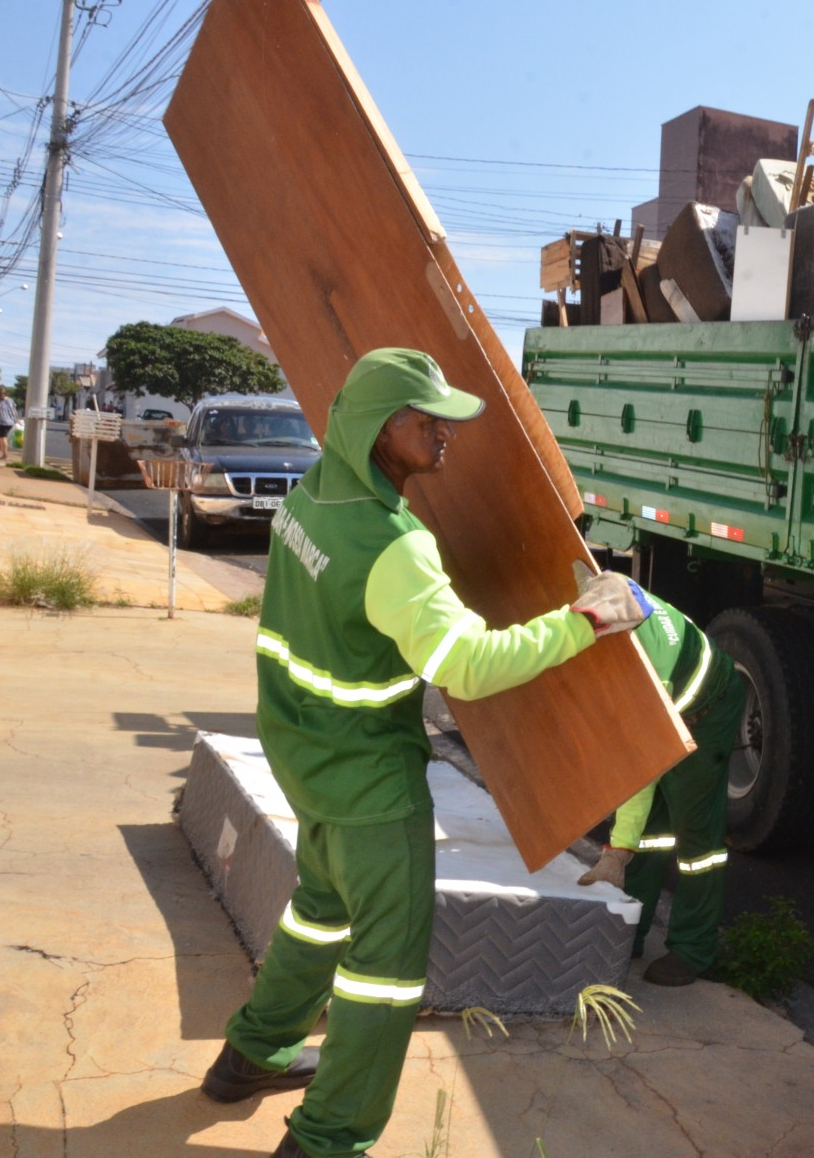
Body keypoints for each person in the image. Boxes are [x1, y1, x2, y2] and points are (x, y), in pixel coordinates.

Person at [201, 347, 648, 1158]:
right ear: (380, 428)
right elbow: (469, 666)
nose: (446, 434)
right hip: (372, 782)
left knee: (320, 909)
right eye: (426, 421)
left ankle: (250, 1056)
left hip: (305, 757)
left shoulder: (310, 497)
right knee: (385, 970)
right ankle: (330, 1137)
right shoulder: (393, 545)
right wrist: (586, 618)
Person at [577, 596, 744, 986]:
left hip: (706, 717)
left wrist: (617, 851)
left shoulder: (650, 669)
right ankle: (628, 930)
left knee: (695, 838)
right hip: (671, 707)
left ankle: (693, 950)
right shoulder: (617, 598)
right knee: (652, 835)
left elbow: (641, 771)